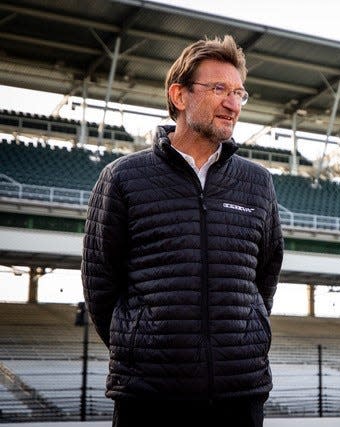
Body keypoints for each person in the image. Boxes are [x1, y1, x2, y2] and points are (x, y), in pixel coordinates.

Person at [81, 36, 284, 427]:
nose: (233, 103)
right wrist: (141, 346)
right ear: (179, 95)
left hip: (239, 393)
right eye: (219, 89)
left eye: (239, 92)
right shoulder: (123, 178)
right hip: (149, 396)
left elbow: (266, 274)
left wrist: (247, 330)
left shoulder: (258, 183)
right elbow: (100, 281)